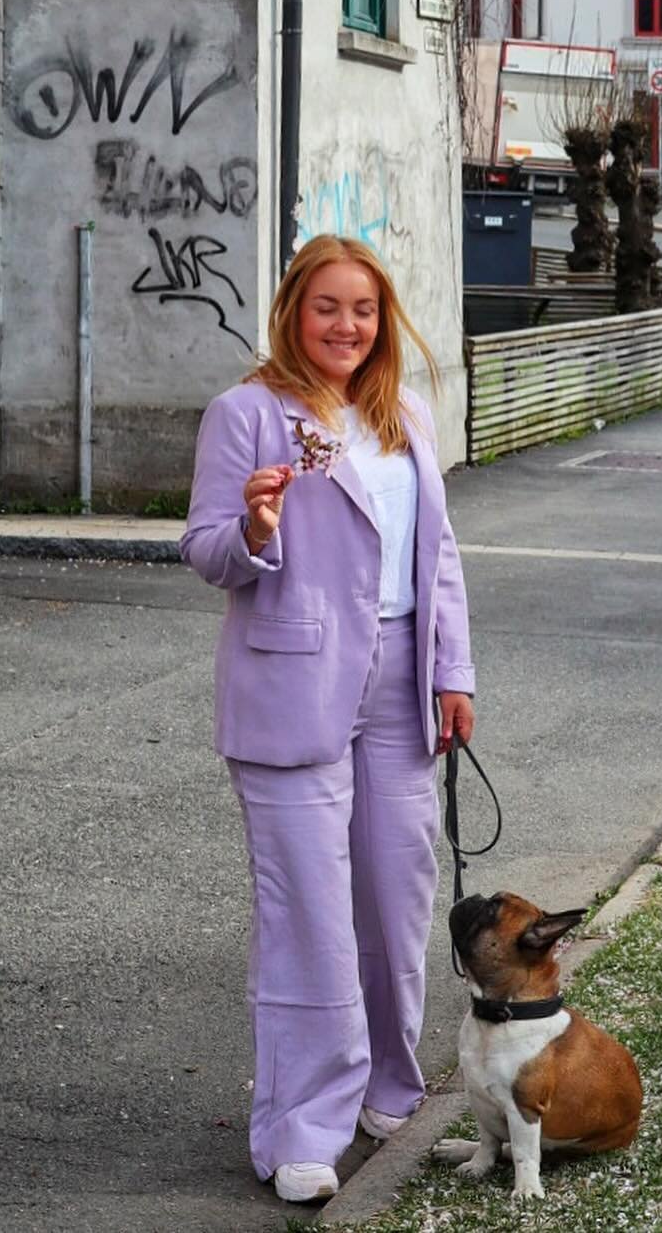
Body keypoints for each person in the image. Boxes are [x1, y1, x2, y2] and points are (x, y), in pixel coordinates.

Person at [181, 233, 476, 1205]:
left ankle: (391, 1082)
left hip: (401, 681)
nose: (347, 325)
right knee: (308, 910)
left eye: (364, 309)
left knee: (396, 894)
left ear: (383, 319)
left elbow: (438, 557)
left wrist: (453, 669)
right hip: (291, 682)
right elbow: (205, 548)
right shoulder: (247, 412)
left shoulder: (407, 416)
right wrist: (257, 529)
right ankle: (302, 1120)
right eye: (327, 307)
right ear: (292, 314)